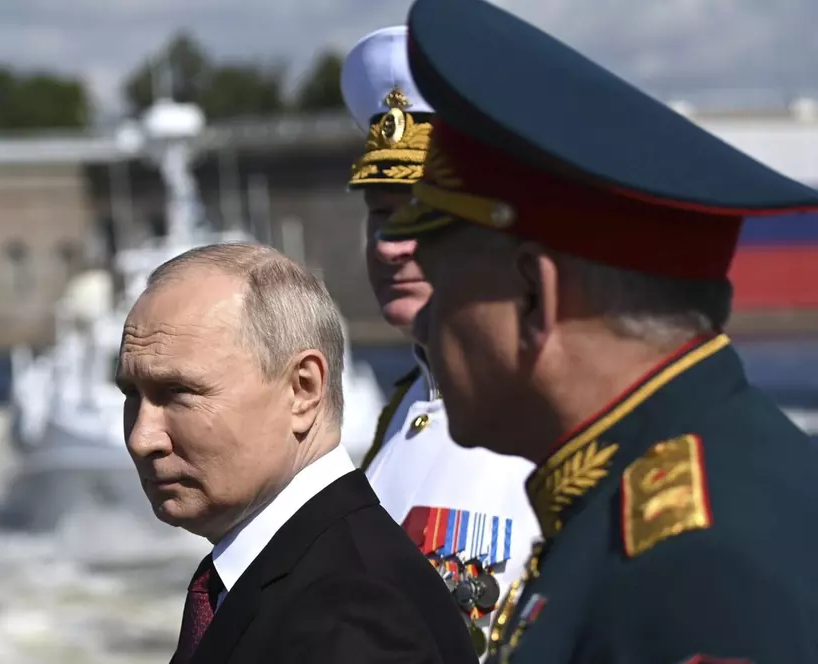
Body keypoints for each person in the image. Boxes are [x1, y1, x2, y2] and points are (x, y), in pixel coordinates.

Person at [378, 0, 818, 662]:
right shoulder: (658, 495)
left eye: (443, 287)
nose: (429, 319)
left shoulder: (689, 569)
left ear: (534, 296)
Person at [116, 242, 477, 664]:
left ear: (302, 389)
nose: (142, 438)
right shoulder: (276, 579)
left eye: (178, 393)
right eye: (131, 394)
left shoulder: (354, 619)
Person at [339, 25, 541, 658]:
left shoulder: (549, 422)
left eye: (423, 213)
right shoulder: (402, 412)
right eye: (380, 213)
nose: (390, 244)